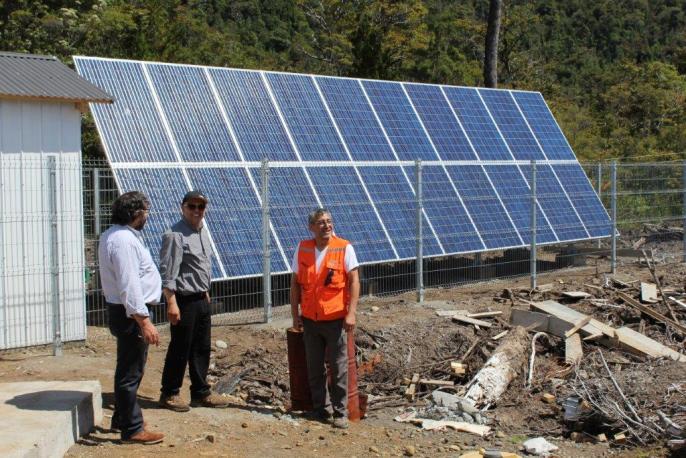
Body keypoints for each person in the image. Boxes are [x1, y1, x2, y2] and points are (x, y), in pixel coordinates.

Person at [98, 191, 164, 445]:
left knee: (128, 367)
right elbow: (129, 284)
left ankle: (122, 418)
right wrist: (144, 320)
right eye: (146, 211)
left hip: (126, 312)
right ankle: (132, 429)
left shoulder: (113, 235)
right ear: (136, 214)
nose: (147, 216)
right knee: (130, 371)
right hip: (131, 315)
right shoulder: (124, 240)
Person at [158, 191, 229, 411]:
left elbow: (201, 267)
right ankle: (169, 393)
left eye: (201, 207)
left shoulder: (203, 232)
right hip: (183, 300)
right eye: (192, 206)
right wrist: (171, 302)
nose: (197, 211)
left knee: (202, 347)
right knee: (181, 347)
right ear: (183, 207)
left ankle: (200, 392)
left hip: (201, 298)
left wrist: (205, 291)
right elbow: (168, 273)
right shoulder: (175, 235)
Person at [290, 207, 360, 429]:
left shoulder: (344, 247)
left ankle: (340, 413)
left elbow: (354, 281)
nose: (326, 225)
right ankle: (321, 409)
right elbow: (295, 284)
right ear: (311, 227)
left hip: (335, 318)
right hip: (310, 319)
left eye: (329, 221)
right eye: (321, 222)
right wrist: (295, 315)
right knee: (314, 367)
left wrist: (351, 313)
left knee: (338, 367)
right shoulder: (303, 248)